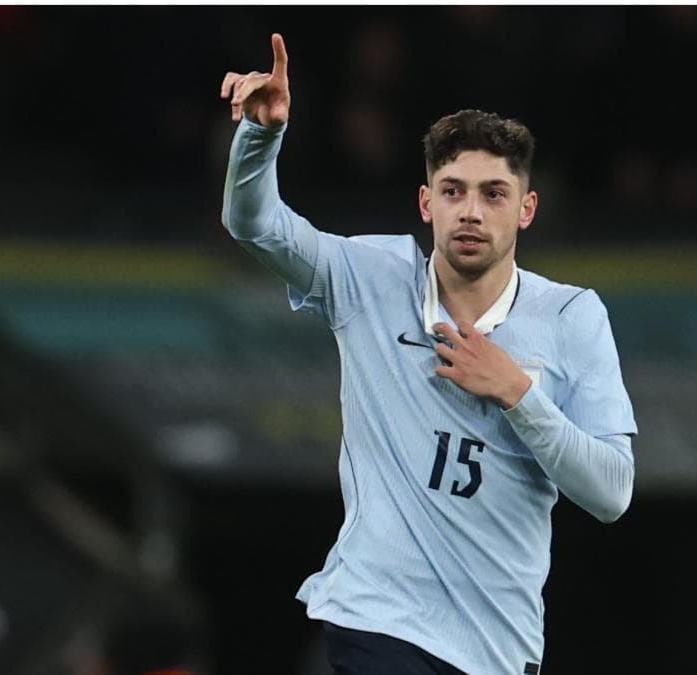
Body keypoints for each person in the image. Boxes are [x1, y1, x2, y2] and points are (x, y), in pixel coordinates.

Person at [220, 33, 637, 675]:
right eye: (452, 191)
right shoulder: (368, 279)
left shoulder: (571, 317)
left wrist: (517, 393)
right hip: (376, 619)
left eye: (493, 194)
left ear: (526, 209)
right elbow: (256, 225)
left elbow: (612, 491)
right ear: (426, 202)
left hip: (497, 647)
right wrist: (260, 136)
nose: (471, 212)